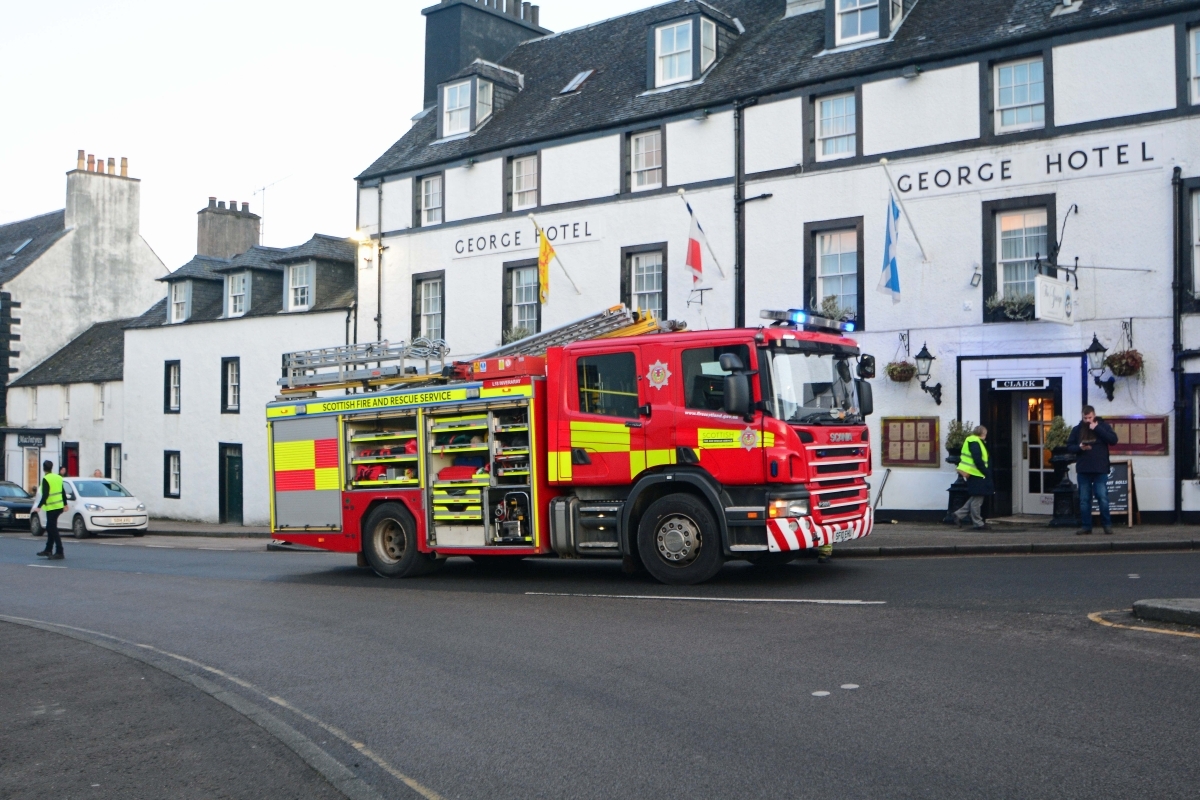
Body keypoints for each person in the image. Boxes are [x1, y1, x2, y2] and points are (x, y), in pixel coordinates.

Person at [1067, 405, 1119, 535]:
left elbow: (1113, 440)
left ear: (1094, 415)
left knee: (1102, 497)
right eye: (1085, 418)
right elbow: (1069, 446)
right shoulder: (1077, 429)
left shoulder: (1103, 426)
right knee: (1084, 500)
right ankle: (1086, 527)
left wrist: (1097, 428)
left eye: (1090, 417)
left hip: (1100, 469)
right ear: (1082, 416)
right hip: (1084, 469)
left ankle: (1107, 525)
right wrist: (1079, 447)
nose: (1088, 420)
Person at [954, 425, 993, 530]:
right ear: (983, 434)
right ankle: (978, 523)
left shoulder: (973, 441)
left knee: (976, 496)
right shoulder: (975, 442)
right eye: (985, 434)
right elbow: (978, 459)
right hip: (976, 473)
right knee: (978, 500)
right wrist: (985, 471)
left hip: (974, 473)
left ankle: (959, 514)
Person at [35, 460, 66, 560]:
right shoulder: (58, 477)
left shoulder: (46, 479)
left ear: (44, 468)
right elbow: (63, 492)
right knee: (50, 527)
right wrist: (65, 504)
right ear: (52, 467)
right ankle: (48, 549)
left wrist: (39, 506)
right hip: (59, 506)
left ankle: (59, 551)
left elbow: (45, 494)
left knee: (52, 529)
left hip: (52, 507)